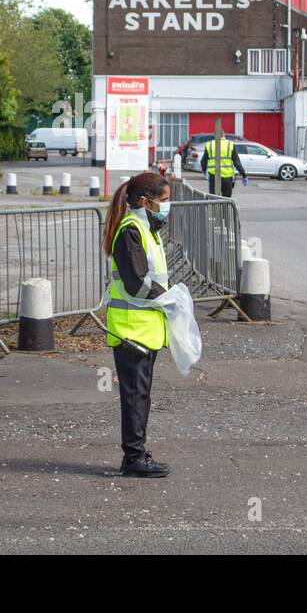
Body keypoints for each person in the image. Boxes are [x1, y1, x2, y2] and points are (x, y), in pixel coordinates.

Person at [102, 172, 172, 478]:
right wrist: (170, 299)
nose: (167, 207)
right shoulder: (131, 230)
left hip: (144, 328)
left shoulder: (146, 228)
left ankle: (137, 453)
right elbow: (137, 284)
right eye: (164, 201)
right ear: (146, 201)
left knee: (140, 395)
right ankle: (133, 458)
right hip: (132, 329)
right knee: (134, 396)